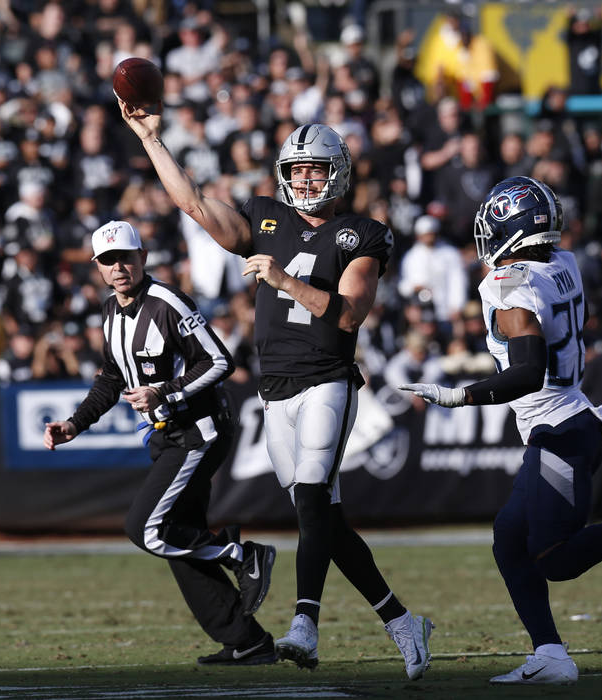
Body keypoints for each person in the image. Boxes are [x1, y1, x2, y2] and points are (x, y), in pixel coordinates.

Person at [117, 104, 433, 680]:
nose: (305, 180)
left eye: (316, 170)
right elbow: (192, 204)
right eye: (298, 170)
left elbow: (349, 315)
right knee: (323, 520)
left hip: (328, 379)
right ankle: (402, 621)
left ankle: (304, 626)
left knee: (312, 498)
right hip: (276, 387)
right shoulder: (265, 217)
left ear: (337, 173)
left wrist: (284, 279)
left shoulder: (361, 233)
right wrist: (153, 140)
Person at [399, 176, 602, 685]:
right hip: (570, 418)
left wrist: (460, 394)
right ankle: (550, 653)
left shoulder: (509, 286)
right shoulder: (565, 263)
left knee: (556, 561)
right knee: (509, 540)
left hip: (559, 431)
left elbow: (529, 371)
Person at [43, 220, 278, 666]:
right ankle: (246, 640)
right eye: (108, 261)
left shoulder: (167, 302)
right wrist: (76, 424)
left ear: (143, 257)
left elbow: (219, 361)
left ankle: (241, 554)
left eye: (125, 258)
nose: (118, 268)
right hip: (166, 436)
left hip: (199, 431)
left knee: (145, 528)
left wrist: (165, 392)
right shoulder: (110, 312)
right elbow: (112, 378)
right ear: (97, 267)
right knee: (174, 537)